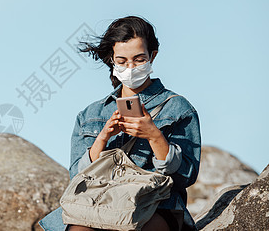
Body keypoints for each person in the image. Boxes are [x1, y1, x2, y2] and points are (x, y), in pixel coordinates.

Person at [39, 16, 201, 231]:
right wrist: (103, 137)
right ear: (112, 61)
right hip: (99, 204)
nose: (131, 67)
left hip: (154, 206)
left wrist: (154, 135)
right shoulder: (90, 114)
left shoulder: (178, 108)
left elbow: (186, 177)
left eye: (139, 59)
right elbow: (77, 179)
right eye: (122, 61)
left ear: (153, 55)